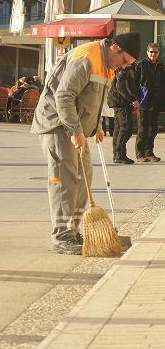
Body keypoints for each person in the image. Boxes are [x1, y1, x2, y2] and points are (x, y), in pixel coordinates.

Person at [31, 32, 140, 255]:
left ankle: (73, 230)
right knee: (65, 180)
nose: (124, 67)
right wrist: (75, 130)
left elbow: (94, 99)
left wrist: (97, 125)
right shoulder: (86, 58)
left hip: (75, 126)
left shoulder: (108, 65)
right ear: (115, 48)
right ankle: (62, 236)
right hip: (57, 124)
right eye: (124, 60)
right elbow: (64, 96)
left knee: (84, 177)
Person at [135, 42, 164, 162]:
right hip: (144, 101)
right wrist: (136, 99)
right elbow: (135, 84)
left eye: (155, 52)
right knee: (143, 129)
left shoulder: (161, 65)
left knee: (153, 129)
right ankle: (140, 154)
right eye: (151, 52)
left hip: (156, 102)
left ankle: (149, 152)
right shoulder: (141, 65)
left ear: (158, 53)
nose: (153, 54)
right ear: (147, 52)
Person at [107, 63, 139, 164]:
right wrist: (133, 99)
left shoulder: (131, 65)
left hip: (120, 101)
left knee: (119, 127)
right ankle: (120, 155)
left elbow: (131, 85)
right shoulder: (125, 66)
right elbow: (121, 86)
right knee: (126, 127)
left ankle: (117, 155)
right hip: (121, 102)